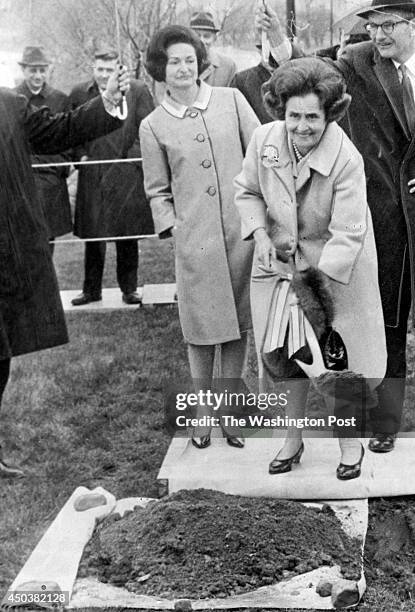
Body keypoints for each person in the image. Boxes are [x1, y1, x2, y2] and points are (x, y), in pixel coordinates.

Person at [256, 0, 415, 454]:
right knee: (387, 317)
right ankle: (382, 422)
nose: (379, 35)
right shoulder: (362, 59)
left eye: (389, 25)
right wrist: (286, 47)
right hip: (386, 218)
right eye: (373, 25)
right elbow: (319, 70)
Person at [234, 57, 387, 480]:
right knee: (285, 357)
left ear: (331, 113)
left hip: (334, 274)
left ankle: (350, 444)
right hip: (278, 268)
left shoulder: (346, 159)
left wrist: (313, 295)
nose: (302, 126)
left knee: (339, 361)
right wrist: (261, 237)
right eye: (293, 115)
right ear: (280, 111)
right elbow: (247, 193)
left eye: (313, 117)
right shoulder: (264, 140)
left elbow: (349, 232)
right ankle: (292, 437)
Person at [0, 64, 129, 478]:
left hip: (6, 251)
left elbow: (62, 129)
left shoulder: (8, 105)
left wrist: (107, 101)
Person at [140, 25, 259, 449]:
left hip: (242, 235)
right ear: (160, 68)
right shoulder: (153, 126)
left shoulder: (231, 100)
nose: (183, 68)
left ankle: (229, 411)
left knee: (238, 326)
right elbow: (157, 190)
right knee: (202, 328)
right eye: (174, 61)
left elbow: (263, 150)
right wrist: (175, 228)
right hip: (197, 242)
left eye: (189, 59)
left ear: (200, 62)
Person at [69, 48, 155, 307]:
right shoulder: (79, 94)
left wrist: (131, 159)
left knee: (126, 233)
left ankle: (129, 289)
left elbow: (148, 128)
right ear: (92, 69)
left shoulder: (138, 90)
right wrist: (81, 156)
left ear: (120, 68)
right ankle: (91, 290)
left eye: (110, 69)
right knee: (93, 236)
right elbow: (70, 129)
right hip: (93, 171)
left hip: (126, 171)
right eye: (100, 69)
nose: (105, 75)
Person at [15, 46, 72, 254]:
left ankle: (47, 286)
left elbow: (68, 141)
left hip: (50, 180)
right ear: (24, 71)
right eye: (33, 70)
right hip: (21, 181)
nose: (38, 76)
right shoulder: (12, 100)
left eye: (42, 70)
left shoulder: (60, 99)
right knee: (22, 244)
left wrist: (58, 168)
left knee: (48, 243)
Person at [189, 11, 236, 86]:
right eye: (196, 35)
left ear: (214, 38)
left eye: (206, 36)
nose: (202, 40)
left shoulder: (228, 66)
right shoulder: (180, 64)